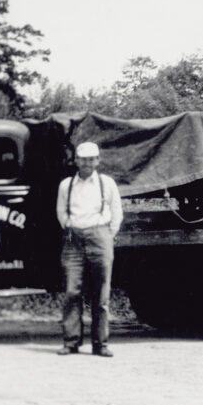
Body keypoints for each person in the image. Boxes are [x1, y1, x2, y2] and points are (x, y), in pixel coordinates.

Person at [55, 141, 122, 358]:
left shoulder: (107, 184)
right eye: (83, 159)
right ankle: (71, 342)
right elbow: (61, 213)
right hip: (73, 238)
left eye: (92, 159)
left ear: (98, 161)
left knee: (101, 294)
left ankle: (100, 344)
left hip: (100, 236)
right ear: (76, 161)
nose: (87, 163)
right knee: (72, 291)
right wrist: (70, 228)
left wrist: (106, 236)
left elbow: (116, 213)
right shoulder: (66, 185)